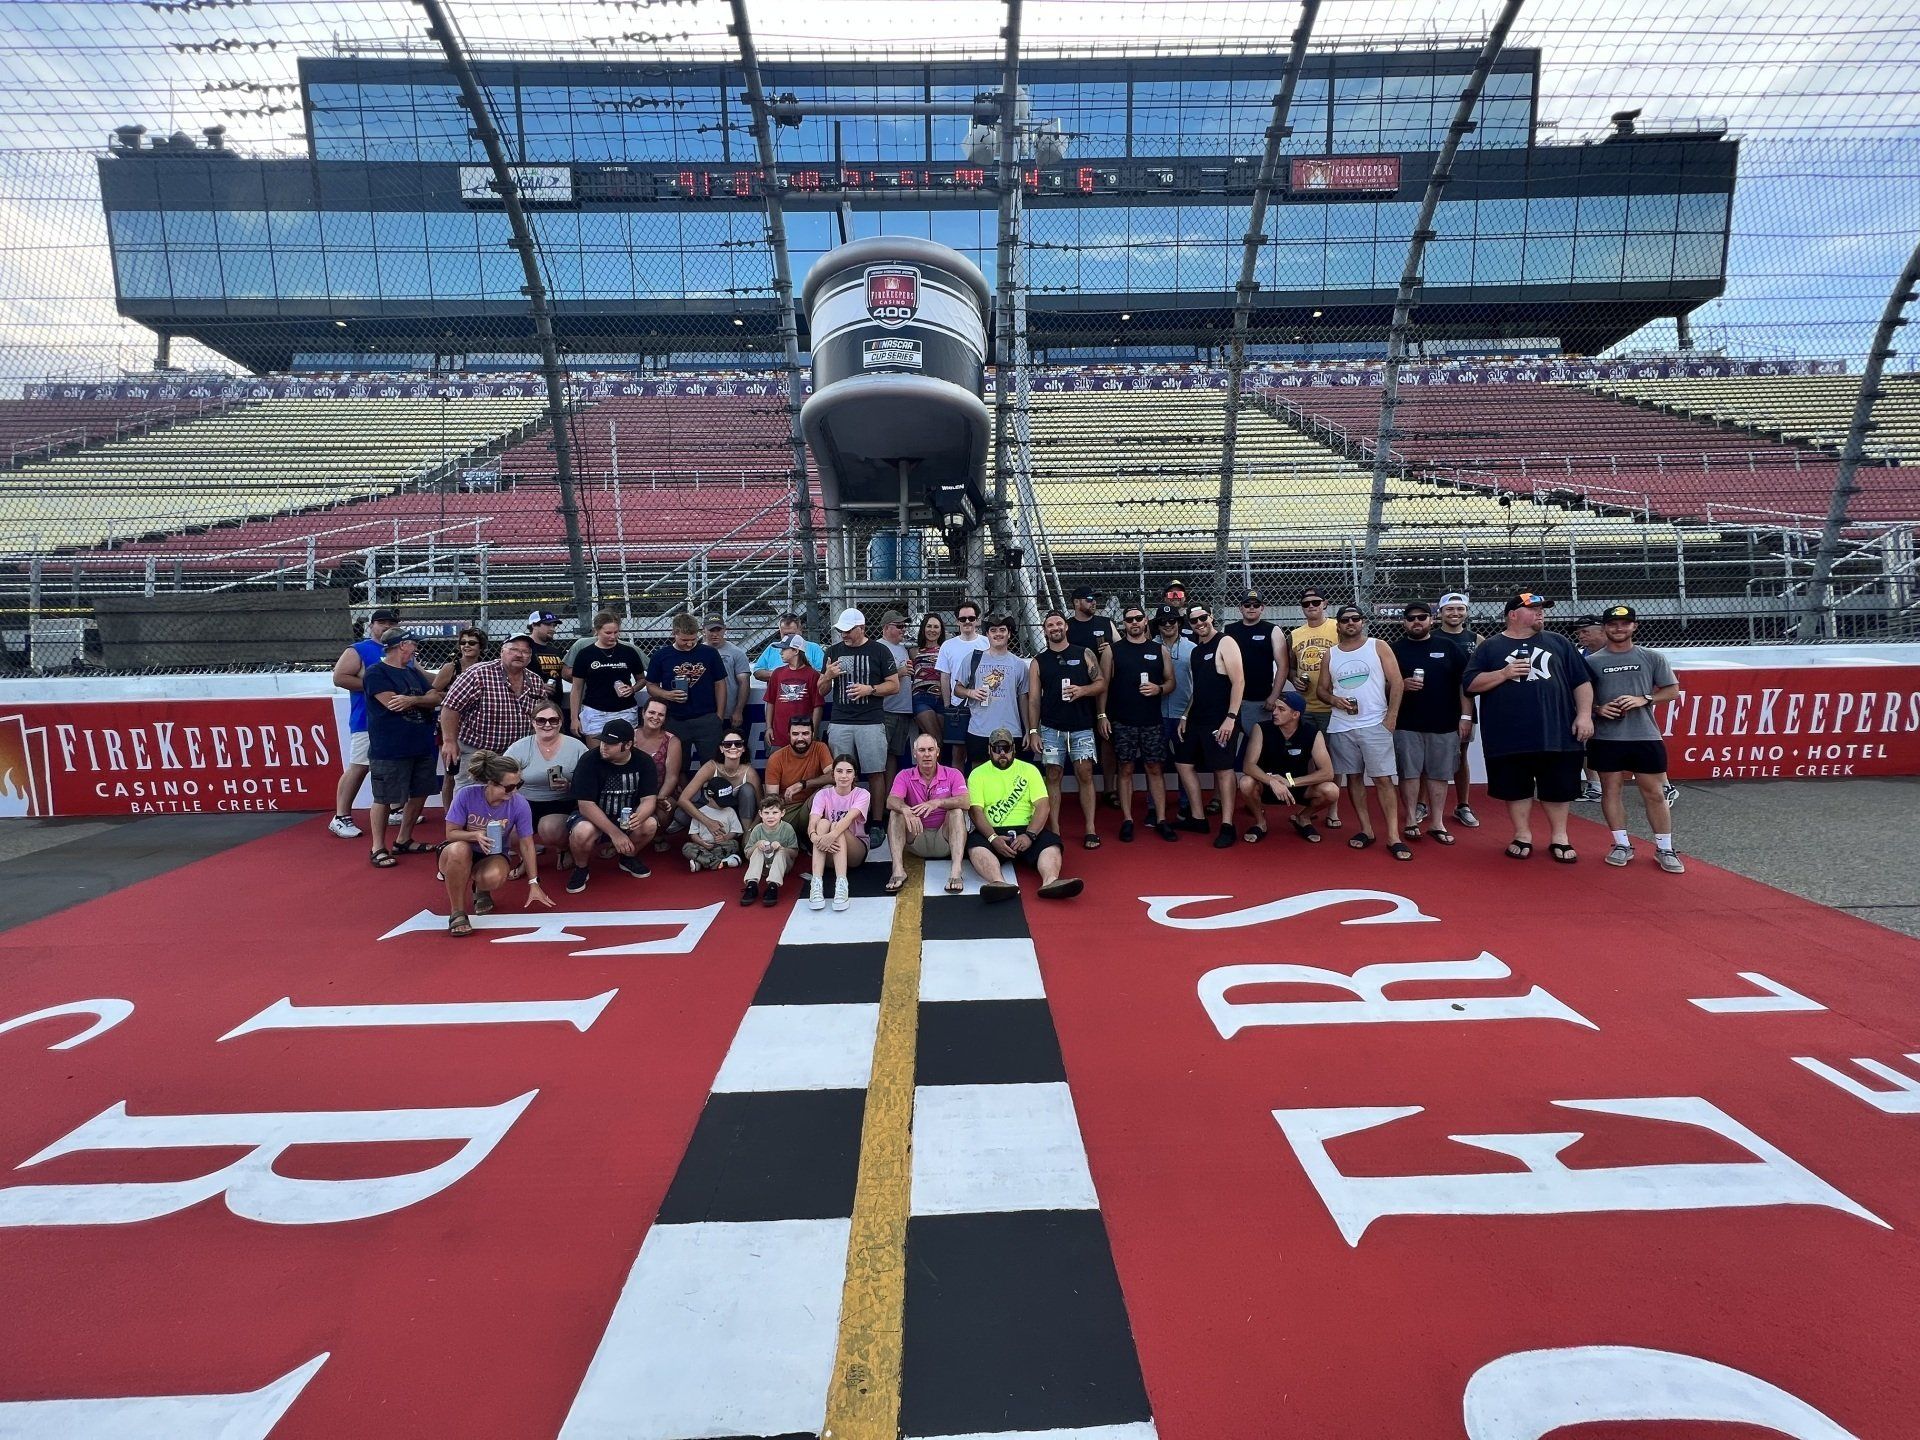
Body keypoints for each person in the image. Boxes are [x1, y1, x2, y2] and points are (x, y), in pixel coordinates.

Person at [1464, 592, 1595, 863]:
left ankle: (1560, 836)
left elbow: (1581, 682)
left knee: (1558, 787)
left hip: (1556, 731)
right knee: (1515, 788)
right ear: (1513, 614)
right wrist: (1503, 673)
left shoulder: (1559, 642)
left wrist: (1584, 715)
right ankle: (1522, 834)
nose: (1540, 613)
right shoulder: (1490, 647)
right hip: (1508, 733)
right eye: (1532, 608)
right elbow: (1470, 684)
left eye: (1542, 608)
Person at [1586, 604, 1686, 873]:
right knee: (1611, 790)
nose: (1619, 628)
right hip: (1606, 737)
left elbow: (1672, 690)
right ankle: (1621, 844)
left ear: (1634, 626)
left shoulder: (1652, 657)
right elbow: (1579, 698)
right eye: (1613, 624)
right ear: (1605, 628)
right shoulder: (1592, 662)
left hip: (1645, 735)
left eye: (1625, 623)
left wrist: (1644, 699)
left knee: (1654, 792)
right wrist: (1597, 709)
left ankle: (1665, 848)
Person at [1318, 605, 1409, 859]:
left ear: (1363, 621)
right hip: (1341, 725)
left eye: (1355, 618)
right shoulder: (1330, 654)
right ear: (1338, 625)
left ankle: (1393, 836)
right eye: (1345, 619)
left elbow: (1397, 682)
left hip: (1374, 724)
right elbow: (1322, 691)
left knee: (1383, 780)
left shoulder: (1378, 646)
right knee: (1354, 779)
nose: (1350, 623)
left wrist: (1391, 718)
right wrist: (1334, 701)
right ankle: (1366, 830)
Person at [441, 751, 553, 938]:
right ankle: (457, 912)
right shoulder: (466, 795)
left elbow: (527, 844)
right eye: (509, 787)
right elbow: (450, 833)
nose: (515, 791)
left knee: (494, 876)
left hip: (493, 853)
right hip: (460, 849)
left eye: (519, 785)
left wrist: (534, 883)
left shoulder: (519, 803)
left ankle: (480, 888)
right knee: (459, 850)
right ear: (491, 783)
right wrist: (475, 835)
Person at [965, 727, 1083, 902]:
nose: (1002, 753)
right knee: (975, 845)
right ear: (989, 749)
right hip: (993, 831)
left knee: (1052, 843)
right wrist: (992, 838)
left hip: (1026, 829)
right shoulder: (977, 774)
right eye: (997, 749)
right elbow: (976, 812)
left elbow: (1043, 805)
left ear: (1014, 748)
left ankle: (1051, 881)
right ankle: (998, 883)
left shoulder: (1029, 770)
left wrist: (1030, 835)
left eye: (1007, 748)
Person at [1389, 602, 1472, 847]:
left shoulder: (1448, 646)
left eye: (1422, 617)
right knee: (1409, 773)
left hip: (1444, 723)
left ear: (1431, 620)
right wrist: (1400, 685)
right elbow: (1380, 685)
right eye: (1411, 618)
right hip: (1406, 722)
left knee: (1439, 774)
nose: (1417, 621)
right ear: (1404, 622)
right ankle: (1412, 820)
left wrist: (1466, 717)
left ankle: (1437, 823)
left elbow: (1465, 684)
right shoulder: (1393, 649)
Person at [361, 627, 441, 866]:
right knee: (384, 797)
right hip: (390, 747)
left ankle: (403, 839)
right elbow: (393, 704)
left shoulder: (411, 672)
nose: (415, 647)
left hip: (421, 743)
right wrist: (423, 701)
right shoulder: (376, 672)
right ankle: (377, 846)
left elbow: (437, 696)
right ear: (402, 645)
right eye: (412, 644)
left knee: (419, 793)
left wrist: (414, 700)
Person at [1028, 608, 1107, 848]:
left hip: (1082, 727)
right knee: (1053, 776)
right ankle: (1055, 829)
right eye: (1050, 625)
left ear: (1066, 626)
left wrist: (1082, 691)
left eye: (1058, 624)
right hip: (1051, 729)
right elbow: (1033, 699)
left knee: (1085, 775)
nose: (1055, 628)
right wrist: (1033, 731)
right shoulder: (1038, 662)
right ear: (1045, 631)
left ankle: (1090, 828)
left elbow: (1101, 682)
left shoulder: (1084, 654)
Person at [821, 608, 900, 846]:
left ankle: (876, 822)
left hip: (871, 720)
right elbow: (820, 690)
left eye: (848, 630)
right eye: (841, 631)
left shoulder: (879, 650)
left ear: (861, 628)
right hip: (840, 720)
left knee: (876, 772)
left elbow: (894, 685)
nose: (843, 635)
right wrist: (828, 675)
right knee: (841, 774)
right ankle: (843, 820)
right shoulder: (833, 651)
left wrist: (870, 690)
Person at [1103, 602, 1177, 842]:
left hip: (1151, 721)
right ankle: (1127, 819)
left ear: (1146, 621)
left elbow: (1171, 683)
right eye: (1129, 619)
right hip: (1123, 721)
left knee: (1154, 769)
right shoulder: (1113, 651)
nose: (1134, 623)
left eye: (1138, 618)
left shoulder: (1159, 651)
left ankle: (1162, 819)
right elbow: (1103, 686)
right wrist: (1101, 715)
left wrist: (1159, 688)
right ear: (1123, 624)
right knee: (1124, 769)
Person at [1176, 601, 1245, 849]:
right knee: (1183, 763)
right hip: (1197, 718)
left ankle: (1227, 825)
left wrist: (1231, 717)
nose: (1200, 623)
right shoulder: (1196, 651)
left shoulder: (1226, 642)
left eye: (1202, 617)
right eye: (1194, 621)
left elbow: (1238, 682)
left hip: (1221, 718)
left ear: (1211, 616)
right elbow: (1198, 689)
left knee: (1223, 769)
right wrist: (1185, 716)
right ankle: (1198, 818)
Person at [564, 717, 660, 893]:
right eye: (603, 741)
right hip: (593, 817)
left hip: (625, 815)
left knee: (650, 824)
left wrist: (639, 816)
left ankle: (627, 858)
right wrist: (615, 833)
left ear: (628, 744)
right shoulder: (589, 760)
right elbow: (585, 805)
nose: (604, 746)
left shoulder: (644, 762)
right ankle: (581, 868)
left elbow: (649, 800)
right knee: (582, 831)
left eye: (611, 743)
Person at [328, 605, 398, 837]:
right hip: (366, 720)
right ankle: (341, 816)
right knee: (359, 767)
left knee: (394, 764)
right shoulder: (359, 649)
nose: (387, 626)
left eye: (391, 623)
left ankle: (396, 809)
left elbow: (418, 676)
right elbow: (339, 678)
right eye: (382, 623)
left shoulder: (401, 651)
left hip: (393, 719)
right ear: (372, 626)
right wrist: (376, 688)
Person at [439, 633, 544, 786]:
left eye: (525, 652)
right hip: (477, 751)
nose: (519, 655)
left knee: (510, 798)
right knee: (471, 797)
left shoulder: (535, 681)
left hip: (517, 753)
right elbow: (450, 707)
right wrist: (449, 741)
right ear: (502, 651)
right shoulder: (477, 674)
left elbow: (540, 716)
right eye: (514, 649)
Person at [1238, 691, 1340, 842]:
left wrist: (1290, 782)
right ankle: (1260, 822)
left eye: (1281, 709)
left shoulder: (1312, 733)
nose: (1274, 712)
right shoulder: (1261, 728)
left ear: (1295, 715)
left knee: (1332, 790)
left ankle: (1303, 818)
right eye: (1275, 708)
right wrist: (1272, 781)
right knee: (1245, 783)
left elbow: (1327, 773)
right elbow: (1248, 766)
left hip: (1297, 787)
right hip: (1267, 785)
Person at [885, 732, 970, 896]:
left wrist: (938, 802)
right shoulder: (904, 775)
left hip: (944, 838)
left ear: (937, 752)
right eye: (922, 750)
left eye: (930, 749)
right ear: (914, 754)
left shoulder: (953, 774)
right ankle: (898, 870)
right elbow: (890, 801)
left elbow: (966, 802)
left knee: (956, 811)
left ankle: (956, 871)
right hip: (916, 837)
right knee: (896, 813)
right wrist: (905, 809)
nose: (927, 754)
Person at [505, 701, 588, 867]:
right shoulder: (519, 747)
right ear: (533, 722)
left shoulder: (577, 747)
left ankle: (563, 848)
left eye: (553, 720)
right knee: (506, 830)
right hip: (525, 803)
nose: (547, 724)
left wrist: (570, 786)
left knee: (550, 828)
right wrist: (515, 783)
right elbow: (502, 778)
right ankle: (526, 857)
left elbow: (589, 784)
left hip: (562, 803)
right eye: (541, 720)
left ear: (561, 722)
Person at [1289, 588, 1342, 828]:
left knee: (1333, 758)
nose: (1311, 606)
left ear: (1324, 603)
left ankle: (1332, 808)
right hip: (1305, 705)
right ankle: (1310, 804)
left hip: (1332, 704)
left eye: (1315, 602)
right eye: (1306, 603)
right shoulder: (1295, 634)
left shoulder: (1336, 627)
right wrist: (1294, 679)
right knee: (1308, 758)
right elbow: (1290, 667)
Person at [646, 612, 728, 766]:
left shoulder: (709, 653)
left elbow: (720, 683)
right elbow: (650, 685)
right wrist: (666, 695)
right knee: (678, 767)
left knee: (713, 765)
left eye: (693, 639)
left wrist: (719, 716)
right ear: (674, 633)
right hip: (675, 720)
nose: (689, 644)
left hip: (707, 719)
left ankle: (710, 791)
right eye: (685, 640)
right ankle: (682, 791)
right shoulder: (661, 656)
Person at [1065, 584, 1121, 807]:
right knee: (1079, 744)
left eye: (1095, 598)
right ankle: (1084, 792)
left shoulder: (1105, 623)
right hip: (1077, 693)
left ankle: (1109, 789)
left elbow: (1122, 647)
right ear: (1076, 603)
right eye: (1088, 599)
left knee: (1107, 740)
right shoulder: (1067, 626)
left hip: (1106, 691)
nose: (1093, 602)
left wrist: (1111, 651)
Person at [954, 614, 1030, 769]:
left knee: (1009, 774)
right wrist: (970, 693)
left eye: (1002, 630)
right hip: (979, 729)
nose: (998, 634)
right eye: (993, 630)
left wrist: (1028, 730)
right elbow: (957, 689)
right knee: (978, 773)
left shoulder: (1019, 664)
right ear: (987, 634)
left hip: (1011, 731)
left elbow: (1023, 699)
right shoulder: (973, 658)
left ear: (1009, 633)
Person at [678, 728, 759, 871]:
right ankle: (719, 859)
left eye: (738, 744)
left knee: (747, 790)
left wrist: (751, 830)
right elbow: (683, 799)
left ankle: (743, 839)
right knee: (680, 815)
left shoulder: (750, 772)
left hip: (736, 818)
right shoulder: (711, 766)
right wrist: (708, 822)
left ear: (744, 748)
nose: (733, 747)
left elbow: (763, 806)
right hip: (710, 812)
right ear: (721, 748)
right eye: (728, 744)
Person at [1434, 592, 1481, 829]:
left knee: (1461, 757)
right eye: (1450, 609)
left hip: (1465, 708)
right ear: (1440, 613)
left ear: (1466, 612)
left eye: (1459, 609)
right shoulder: (1430, 637)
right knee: (1428, 758)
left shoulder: (1477, 639)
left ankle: (1463, 805)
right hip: (1434, 707)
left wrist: (1467, 713)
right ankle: (1423, 804)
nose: (1455, 613)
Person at [1155, 606, 1205, 829]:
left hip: (1183, 716)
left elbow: (1200, 686)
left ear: (1179, 622)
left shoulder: (1193, 648)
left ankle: (1186, 805)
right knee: (1154, 764)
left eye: (1172, 620)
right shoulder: (1150, 646)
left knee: (1186, 763)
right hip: (1155, 715)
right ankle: (1154, 807)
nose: (1168, 624)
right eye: (1163, 620)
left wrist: (1187, 714)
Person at [432, 625, 490, 809]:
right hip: (451, 727)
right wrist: (452, 698)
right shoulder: (451, 667)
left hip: (477, 728)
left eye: (472, 643)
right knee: (451, 773)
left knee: (480, 772)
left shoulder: (488, 669)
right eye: (463, 642)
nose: (467, 646)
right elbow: (434, 691)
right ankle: (450, 814)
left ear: (481, 646)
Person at [568, 611, 647, 741]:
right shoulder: (585, 654)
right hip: (595, 711)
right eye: (608, 633)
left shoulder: (629, 652)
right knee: (597, 755)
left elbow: (642, 679)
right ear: (597, 630)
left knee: (623, 752)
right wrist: (574, 718)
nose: (613, 637)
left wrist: (632, 689)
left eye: (616, 632)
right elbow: (576, 689)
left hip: (625, 711)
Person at [807, 756, 871, 912]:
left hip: (855, 849)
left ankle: (842, 884)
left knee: (837, 826)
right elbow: (812, 822)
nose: (844, 776)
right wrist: (814, 837)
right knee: (822, 823)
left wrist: (831, 835)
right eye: (839, 771)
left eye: (849, 772)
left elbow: (849, 819)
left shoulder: (862, 794)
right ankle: (816, 883)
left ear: (854, 775)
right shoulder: (823, 794)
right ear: (833, 774)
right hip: (828, 849)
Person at [936, 600, 991, 769]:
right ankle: (958, 792)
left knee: (981, 753)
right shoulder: (948, 645)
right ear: (957, 621)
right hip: (958, 705)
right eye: (963, 619)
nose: (967, 622)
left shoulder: (987, 642)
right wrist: (948, 705)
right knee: (958, 751)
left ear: (978, 620)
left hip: (983, 705)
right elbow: (945, 677)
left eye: (971, 618)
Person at [1225, 590, 1288, 735]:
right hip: (1230, 699)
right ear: (1240, 608)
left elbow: (1283, 666)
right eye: (1247, 605)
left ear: (1262, 608)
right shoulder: (1228, 630)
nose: (1251, 608)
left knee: (1257, 743)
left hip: (1259, 700)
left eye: (1256, 604)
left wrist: (1274, 696)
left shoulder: (1272, 630)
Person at [764, 714, 834, 835]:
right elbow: (772, 800)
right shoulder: (776, 758)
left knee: (828, 790)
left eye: (805, 734)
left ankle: (817, 838)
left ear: (812, 734)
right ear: (789, 735)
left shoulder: (820, 748)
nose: (800, 738)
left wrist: (803, 784)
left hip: (813, 807)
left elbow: (834, 776)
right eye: (795, 734)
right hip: (788, 810)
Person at [633, 697, 686, 844]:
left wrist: (657, 799)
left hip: (660, 793)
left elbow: (672, 778)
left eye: (660, 715)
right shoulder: (630, 736)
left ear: (665, 718)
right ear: (643, 713)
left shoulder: (672, 741)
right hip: (631, 792)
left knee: (665, 807)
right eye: (651, 712)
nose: (655, 717)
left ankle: (658, 834)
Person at [877, 611, 916, 800]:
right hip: (885, 710)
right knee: (881, 758)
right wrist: (899, 673)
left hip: (902, 710)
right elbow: (873, 680)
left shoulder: (902, 648)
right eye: (899, 626)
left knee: (893, 756)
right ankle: (880, 800)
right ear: (886, 628)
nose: (903, 629)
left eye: (904, 626)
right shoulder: (877, 647)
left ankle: (889, 800)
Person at [1572, 614, 1608, 803]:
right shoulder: (1580, 655)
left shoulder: (1619, 650)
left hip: (1619, 709)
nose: (1581, 636)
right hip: (1592, 708)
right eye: (1578, 633)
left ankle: (1664, 785)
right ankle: (1595, 786)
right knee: (1584, 742)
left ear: (1602, 630)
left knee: (1632, 746)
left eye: (1585, 631)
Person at [741, 794, 799, 908]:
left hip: (782, 866)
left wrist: (782, 848)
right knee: (757, 850)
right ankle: (751, 884)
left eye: (775, 813)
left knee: (781, 852)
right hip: (763, 868)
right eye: (766, 813)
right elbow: (747, 854)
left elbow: (794, 853)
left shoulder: (787, 828)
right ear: (760, 814)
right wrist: (757, 845)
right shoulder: (757, 829)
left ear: (782, 813)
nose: (770, 817)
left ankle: (773, 885)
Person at [704, 615, 752, 734]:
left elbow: (744, 683)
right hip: (704, 713)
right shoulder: (698, 652)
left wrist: (738, 710)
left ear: (724, 629)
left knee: (733, 748)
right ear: (703, 630)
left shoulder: (737, 653)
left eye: (718, 630)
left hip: (729, 714)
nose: (715, 634)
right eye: (711, 630)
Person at [909, 613, 950, 749]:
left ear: (941, 630)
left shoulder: (947, 650)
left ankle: (943, 770)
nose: (932, 630)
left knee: (945, 741)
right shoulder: (913, 651)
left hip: (942, 699)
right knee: (935, 740)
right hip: (921, 699)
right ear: (923, 629)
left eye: (936, 627)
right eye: (929, 626)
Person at [752, 612, 824, 678]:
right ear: (780, 631)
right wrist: (778, 675)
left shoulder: (814, 648)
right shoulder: (773, 647)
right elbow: (757, 672)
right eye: (785, 634)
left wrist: (797, 674)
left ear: (800, 630)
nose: (788, 637)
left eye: (792, 634)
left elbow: (823, 673)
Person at [524, 610, 567, 706]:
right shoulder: (524, 649)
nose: (553, 629)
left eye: (554, 625)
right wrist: (537, 686)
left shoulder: (556, 651)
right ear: (534, 625)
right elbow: (511, 675)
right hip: (531, 704)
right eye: (548, 625)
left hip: (555, 705)